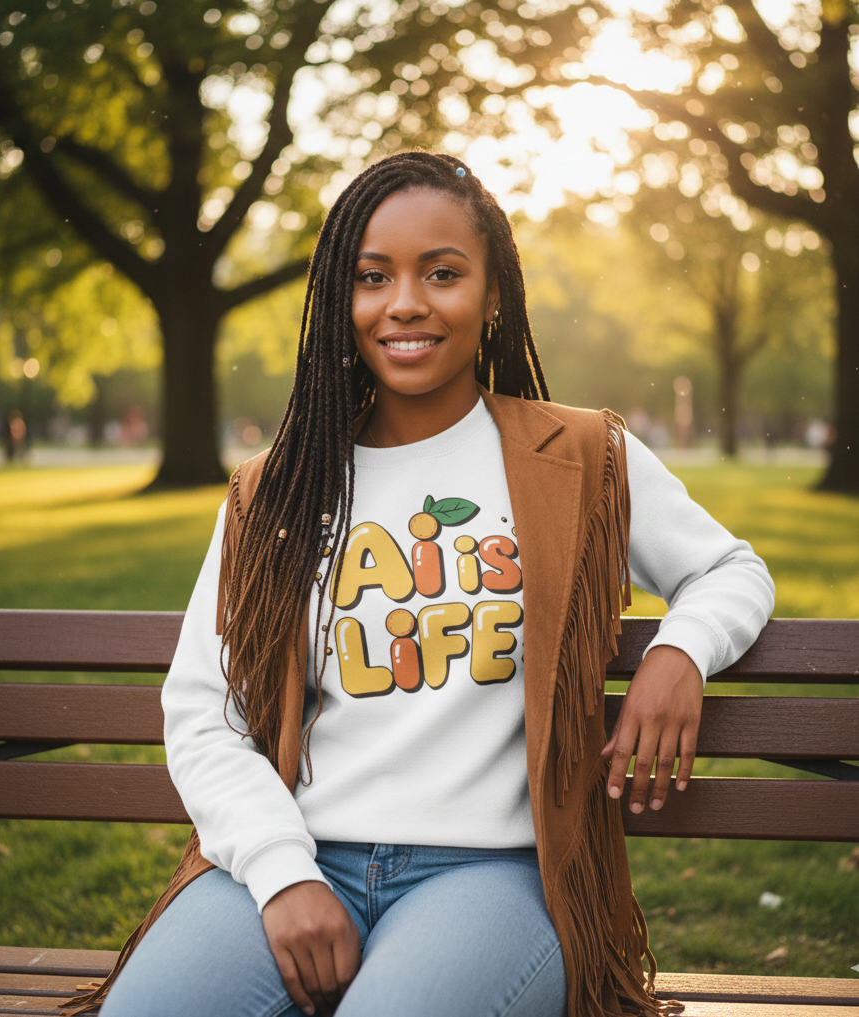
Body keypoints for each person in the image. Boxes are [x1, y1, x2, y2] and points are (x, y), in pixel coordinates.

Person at [75, 151, 774, 1017]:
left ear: (492, 296)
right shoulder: (279, 488)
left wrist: (681, 650)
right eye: (373, 277)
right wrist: (283, 873)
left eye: (442, 273)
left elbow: (729, 569)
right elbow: (203, 712)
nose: (405, 302)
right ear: (341, 300)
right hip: (301, 853)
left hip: (488, 876)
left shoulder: (580, 457)